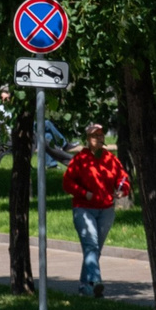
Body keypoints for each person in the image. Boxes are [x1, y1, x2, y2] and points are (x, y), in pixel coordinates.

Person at [59, 123, 129, 298]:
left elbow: (123, 178)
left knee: (95, 249)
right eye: (94, 136)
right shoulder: (80, 159)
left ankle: (85, 287)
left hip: (106, 210)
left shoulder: (110, 159)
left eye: (100, 135)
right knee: (91, 245)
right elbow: (67, 183)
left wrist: (123, 189)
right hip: (84, 209)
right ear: (87, 139)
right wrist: (85, 194)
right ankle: (96, 281)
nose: (98, 138)